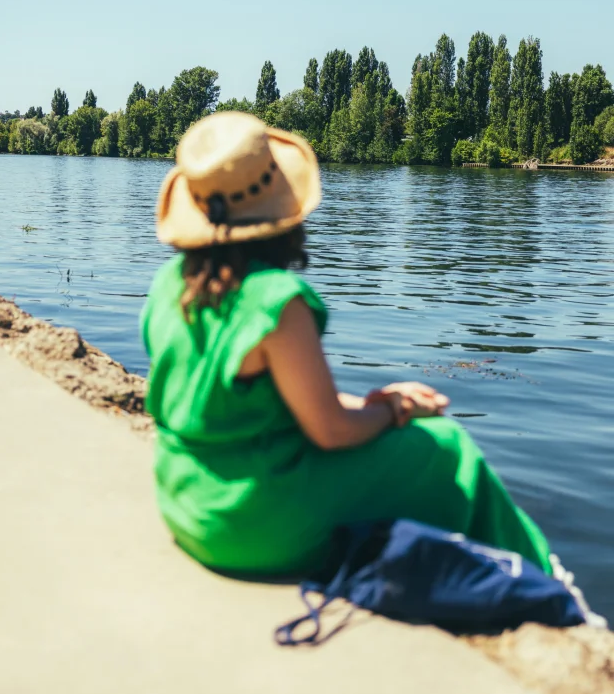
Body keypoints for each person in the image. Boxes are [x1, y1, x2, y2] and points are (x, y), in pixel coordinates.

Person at [141, 111, 552, 577]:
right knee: (446, 448)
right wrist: (393, 412)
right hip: (252, 522)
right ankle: (540, 580)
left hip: (185, 504)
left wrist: (375, 400)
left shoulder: (168, 285)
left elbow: (248, 404)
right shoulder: (276, 301)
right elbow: (330, 432)